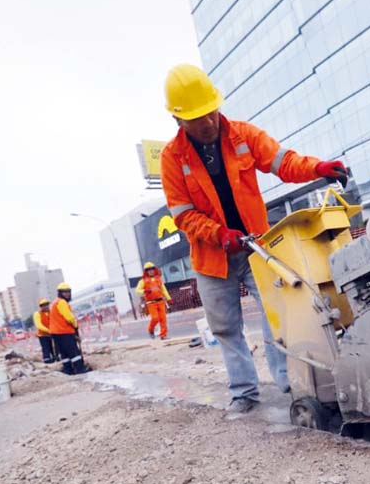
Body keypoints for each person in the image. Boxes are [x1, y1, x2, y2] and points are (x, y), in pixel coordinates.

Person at [160, 64, 348, 413]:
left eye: (211, 111)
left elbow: (283, 162)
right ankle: (244, 393)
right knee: (226, 327)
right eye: (198, 117)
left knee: (279, 314)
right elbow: (184, 215)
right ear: (179, 121)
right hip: (212, 256)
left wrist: (317, 168)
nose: (209, 121)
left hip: (255, 245)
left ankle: (292, 385)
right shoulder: (172, 159)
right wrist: (218, 234)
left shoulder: (242, 135)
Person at [49, 283, 90, 375]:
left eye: (68, 292)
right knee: (73, 351)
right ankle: (80, 369)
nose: (67, 294)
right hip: (64, 331)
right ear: (60, 293)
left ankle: (68, 370)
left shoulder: (54, 303)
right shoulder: (62, 302)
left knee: (64, 353)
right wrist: (75, 326)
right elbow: (69, 317)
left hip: (56, 333)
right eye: (65, 292)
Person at [135, 261, 171, 340]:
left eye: (152, 269)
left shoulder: (158, 279)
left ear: (154, 270)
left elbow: (164, 290)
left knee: (163, 319)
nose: (151, 271)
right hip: (151, 303)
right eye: (149, 269)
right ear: (146, 271)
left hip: (161, 301)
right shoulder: (142, 281)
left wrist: (168, 298)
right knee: (155, 318)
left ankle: (163, 335)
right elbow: (137, 290)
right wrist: (144, 291)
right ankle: (150, 330)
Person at [33, 298, 57, 364]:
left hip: (52, 333)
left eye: (47, 304)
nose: (46, 306)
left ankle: (56, 359)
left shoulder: (51, 312)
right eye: (44, 305)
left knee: (54, 348)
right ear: (41, 306)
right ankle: (47, 362)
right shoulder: (37, 314)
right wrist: (49, 330)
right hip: (43, 335)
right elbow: (38, 325)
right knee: (46, 349)